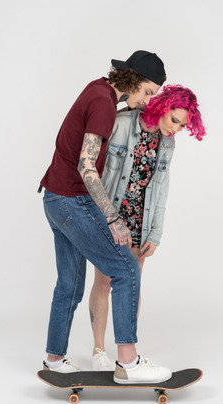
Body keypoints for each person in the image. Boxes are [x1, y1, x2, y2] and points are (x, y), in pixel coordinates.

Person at [38, 50, 173, 384]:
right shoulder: (102, 103)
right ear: (131, 80)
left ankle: (54, 359)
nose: (146, 100)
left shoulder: (97, 90)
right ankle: (128, 363)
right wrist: (113, 219)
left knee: (69, 285)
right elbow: (86, 165)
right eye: (147, 92)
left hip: (54, 199)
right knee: (126, 268)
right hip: (72, 200)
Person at [89, 85, 206, 370]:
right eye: (174, 120)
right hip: (111, 217)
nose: (176, 129)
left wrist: (155, 233)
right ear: (163, 107)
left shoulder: (168, 143)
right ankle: (98, 352)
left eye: (182, 125)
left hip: (141, 221)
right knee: (104, 282)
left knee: (131, 285)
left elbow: (162, 188)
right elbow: (96, 169)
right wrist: (100, 218)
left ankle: (126, 354)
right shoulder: (121, 124)